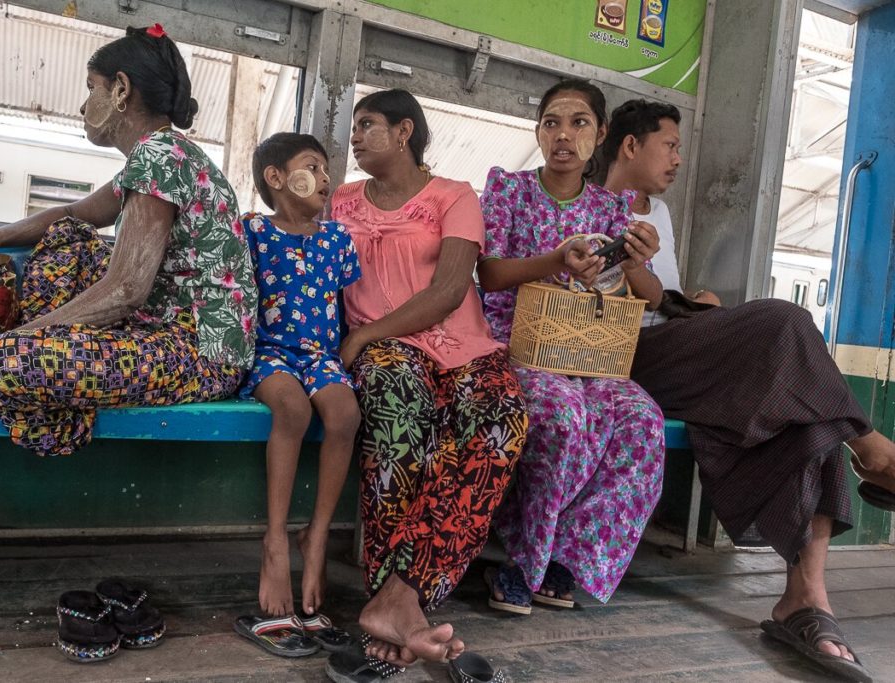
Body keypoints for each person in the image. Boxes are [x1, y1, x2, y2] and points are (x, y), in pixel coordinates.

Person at [604, 97, 895, 682]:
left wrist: (692, 303)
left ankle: (805, 600)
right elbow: (635, 299)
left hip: (673, 340)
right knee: (785, 320)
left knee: (807, 415)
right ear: (631, 145)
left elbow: (663, 296)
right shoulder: (587, 205)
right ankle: (873, 448)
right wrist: (665, 296)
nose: (679, 159)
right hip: (624, 355)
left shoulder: (654, 212)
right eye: (671, 145)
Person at [0, 24, 257, 456]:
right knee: (68, 239)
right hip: (157, 336)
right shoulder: (158, 155)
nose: (84, 104)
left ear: (121, 89)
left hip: (202, 356)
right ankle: (17, 378)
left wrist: (4, 343)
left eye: (91, 88)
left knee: (12, 361)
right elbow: (74, 214)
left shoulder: (162, 156)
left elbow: (126, 290)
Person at [328, 89, 529, 673]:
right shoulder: (339, 200)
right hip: (389, 352)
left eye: (368, 125)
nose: (357, 136)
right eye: (355, 126)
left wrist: (362, 337)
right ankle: (403, 605)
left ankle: (397, 597)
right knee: (400, 422)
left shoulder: (454, 196)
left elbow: (447, 293)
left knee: (501, 421)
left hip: (458, 345)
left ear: (404, 132)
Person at [478, 79, 666, 614]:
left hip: (590, 352)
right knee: (561, 416)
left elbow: (650, 295)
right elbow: (489, 274)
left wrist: (632, 260)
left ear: (601, 134)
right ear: (538, 132)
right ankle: (521, 561)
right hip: (520, 345)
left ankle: (565, 556)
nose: (564, 135)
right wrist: (556, 261)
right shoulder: (508, 190)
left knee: (642, 423)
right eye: (552, 123)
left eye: (579, 123)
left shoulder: (612, 209)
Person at [232, 133, 360, 656]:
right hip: (268, 353)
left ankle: (318, 535)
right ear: (277, 178)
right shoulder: (252, 231)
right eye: (313, 167)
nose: (325, 179)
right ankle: (276, 539)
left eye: (328, 170)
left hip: (320, 356)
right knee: (291, 408)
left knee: (345, 414)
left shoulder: (337, 239)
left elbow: (349, 307)